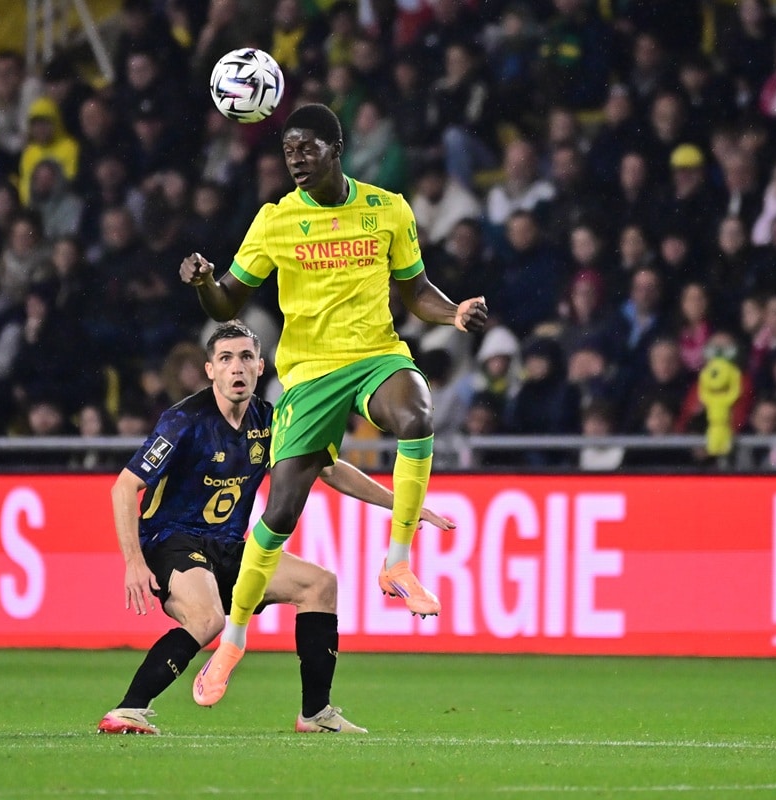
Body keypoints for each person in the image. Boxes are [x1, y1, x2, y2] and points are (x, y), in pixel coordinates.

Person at [178, 103, 489, 707]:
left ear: (336, 149)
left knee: (417, 412)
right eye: (288, 150)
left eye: (307, 149)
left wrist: (451, 312)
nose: (295, 159)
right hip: (308, 374)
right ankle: (234, 639)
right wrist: (202, 283)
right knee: (281, 514)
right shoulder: (275, 221)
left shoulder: (387, 209)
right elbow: (227, 306)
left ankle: (397, 562)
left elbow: (416, 289)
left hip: (376, 355)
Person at [97, 321, 455, 736]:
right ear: (210, 369)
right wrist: (134, 562)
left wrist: (404, 503)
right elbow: (125, 486)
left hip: (231, 547)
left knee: (320, 585)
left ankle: (315, 713)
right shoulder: (184, 420)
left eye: (246, 357)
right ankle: (128, 710)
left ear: (261, 366)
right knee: (208, 618)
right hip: (173, 542)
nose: (237, 368)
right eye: (226, 359)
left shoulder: (270, 421)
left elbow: (328, 469)